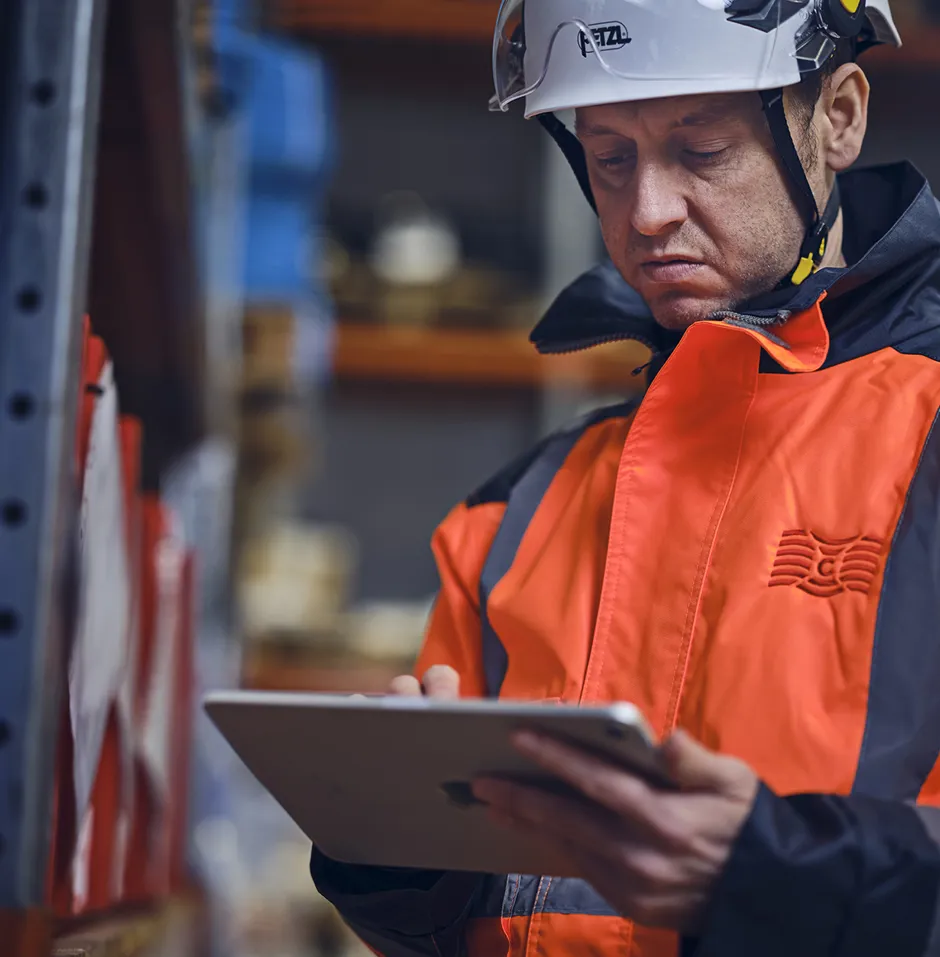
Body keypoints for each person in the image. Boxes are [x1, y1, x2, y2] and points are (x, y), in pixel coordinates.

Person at [313, 1, 940, 954]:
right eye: (611, 158)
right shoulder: (512, 512)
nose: (648, 211)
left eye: (701, 153)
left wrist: (794, 877)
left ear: (840, 116)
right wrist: (398, 867)